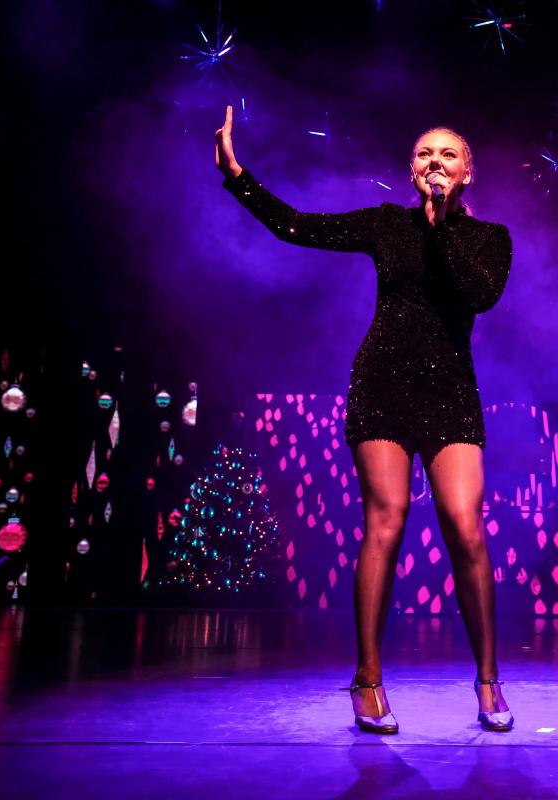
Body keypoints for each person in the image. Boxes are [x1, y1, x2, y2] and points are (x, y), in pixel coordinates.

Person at [216, 106, 514, 733]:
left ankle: (489, 680)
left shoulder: (491, 238)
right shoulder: (386, 224)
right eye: (425, 154)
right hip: (382, 383)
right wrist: (238, 177)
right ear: (412, 170)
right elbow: (296, 227)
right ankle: (368, 680)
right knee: (386, 520)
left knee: (466, 525)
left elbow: (478, 294)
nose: (435, 162)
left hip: (450, 389)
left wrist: (439, 224)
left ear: (468, 172)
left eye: (448, 155)